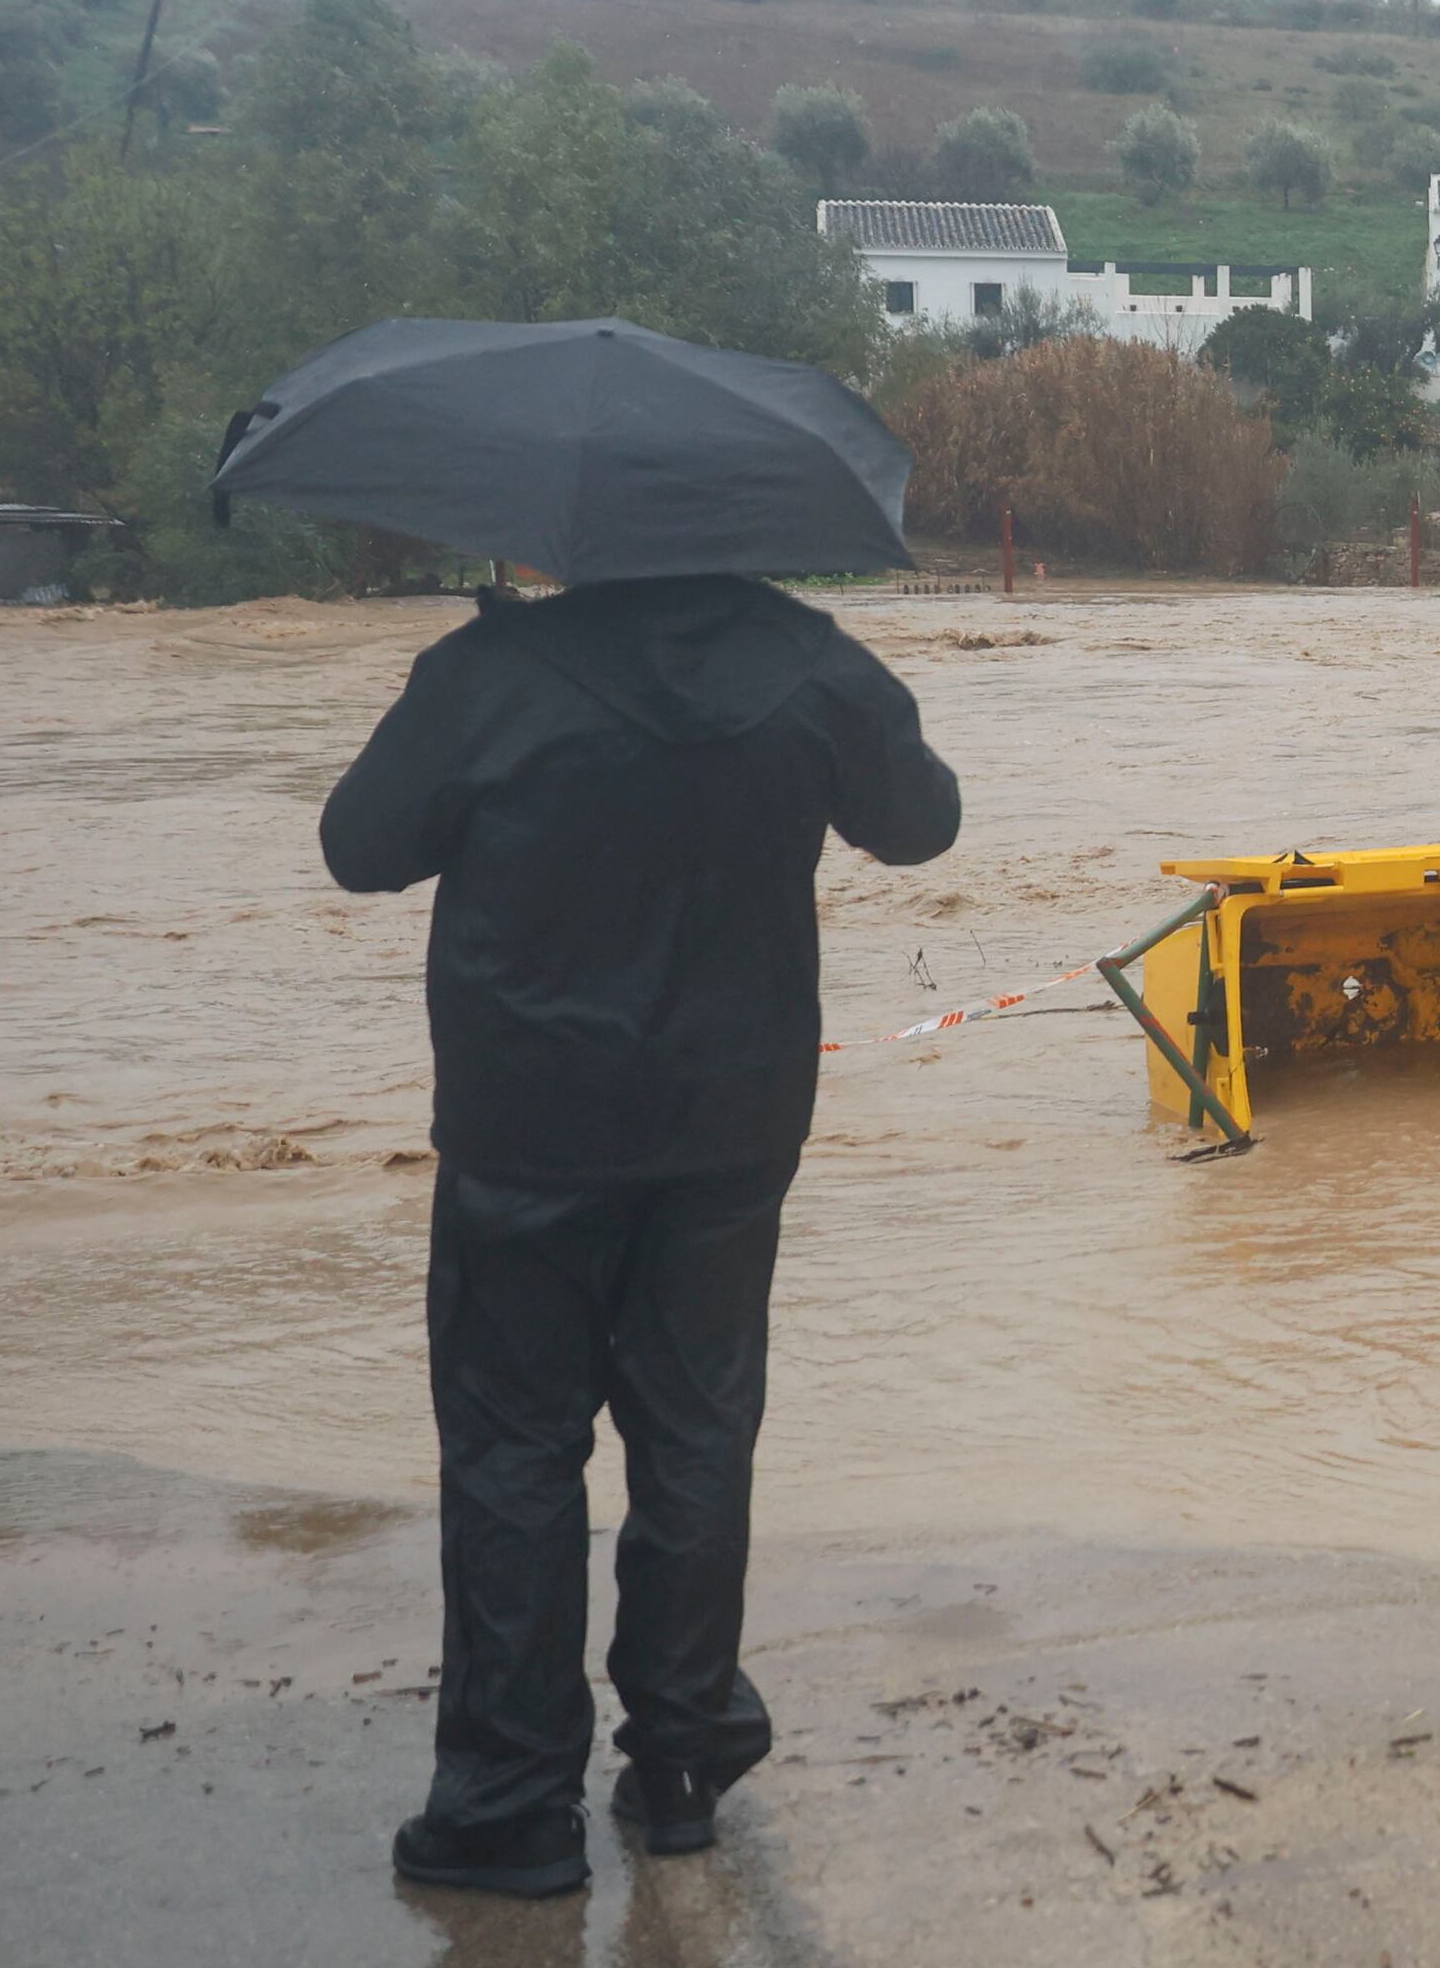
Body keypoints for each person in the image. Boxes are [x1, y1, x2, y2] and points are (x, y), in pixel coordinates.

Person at [323, 569, 961, 1896]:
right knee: (699, 1427)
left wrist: (495, 686)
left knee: (512, 1444)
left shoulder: (487, 674)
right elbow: (921, 819)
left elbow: (359, 844)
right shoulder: (806, 660)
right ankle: (679, 1762)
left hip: (527, 1122)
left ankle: (509, 1802)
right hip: (727, 1119)